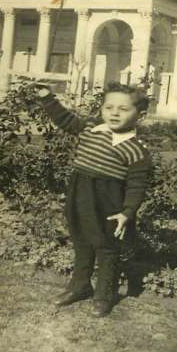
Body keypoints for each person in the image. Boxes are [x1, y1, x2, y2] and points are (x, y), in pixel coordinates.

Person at [33, 81, 152, 317]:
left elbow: (137, 185)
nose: (114, 113)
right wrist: (48, 98)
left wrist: (127, 212)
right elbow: (65, 119)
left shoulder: (136, 150)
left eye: (123, 109)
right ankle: (79, 285)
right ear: (102, 109)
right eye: (109, 107)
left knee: (106, 246)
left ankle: (104, 294)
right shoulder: (90, 128)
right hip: (79, 193)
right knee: (81, 240)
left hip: (108, 202)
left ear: (141, 114)